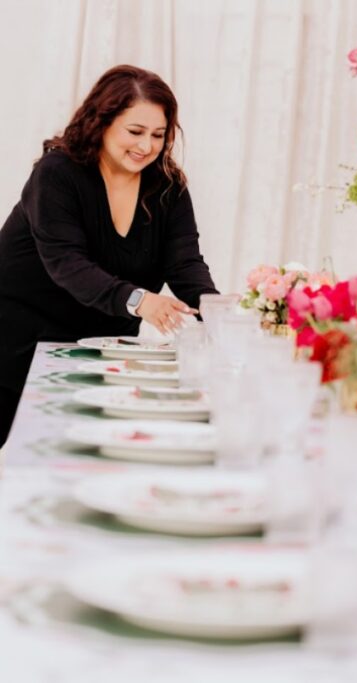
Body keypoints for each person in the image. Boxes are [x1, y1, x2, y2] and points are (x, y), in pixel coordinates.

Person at [0, 65, 218, 444]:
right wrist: (139, 301)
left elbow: (185, 264)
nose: (146, 146)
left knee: (86, 453)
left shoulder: (168, 186)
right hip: (18, 338)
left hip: (102, 347)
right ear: (101, 122)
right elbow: (68, 264)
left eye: (158, 135)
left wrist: (219, 313)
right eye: (134, 132)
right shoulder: (57, 173)